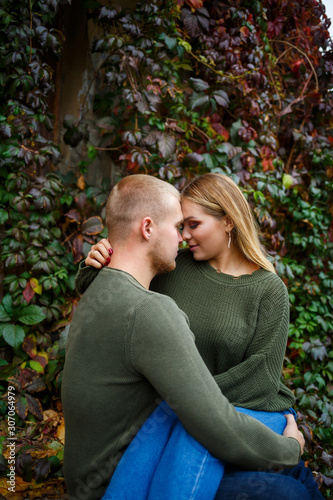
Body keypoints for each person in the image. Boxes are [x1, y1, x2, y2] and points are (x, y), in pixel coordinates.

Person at [77, 173, 324, 500]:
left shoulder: (268, 290)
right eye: (181, 226)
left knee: (299, 479)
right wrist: (95, 264)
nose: (184, 235)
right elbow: (117, 300)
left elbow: (261, 378)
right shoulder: (173, 265)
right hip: (187, 423)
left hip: (238, 413)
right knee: (288, 489)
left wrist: (189, 396)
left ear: (228, 222)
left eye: (193, 224)